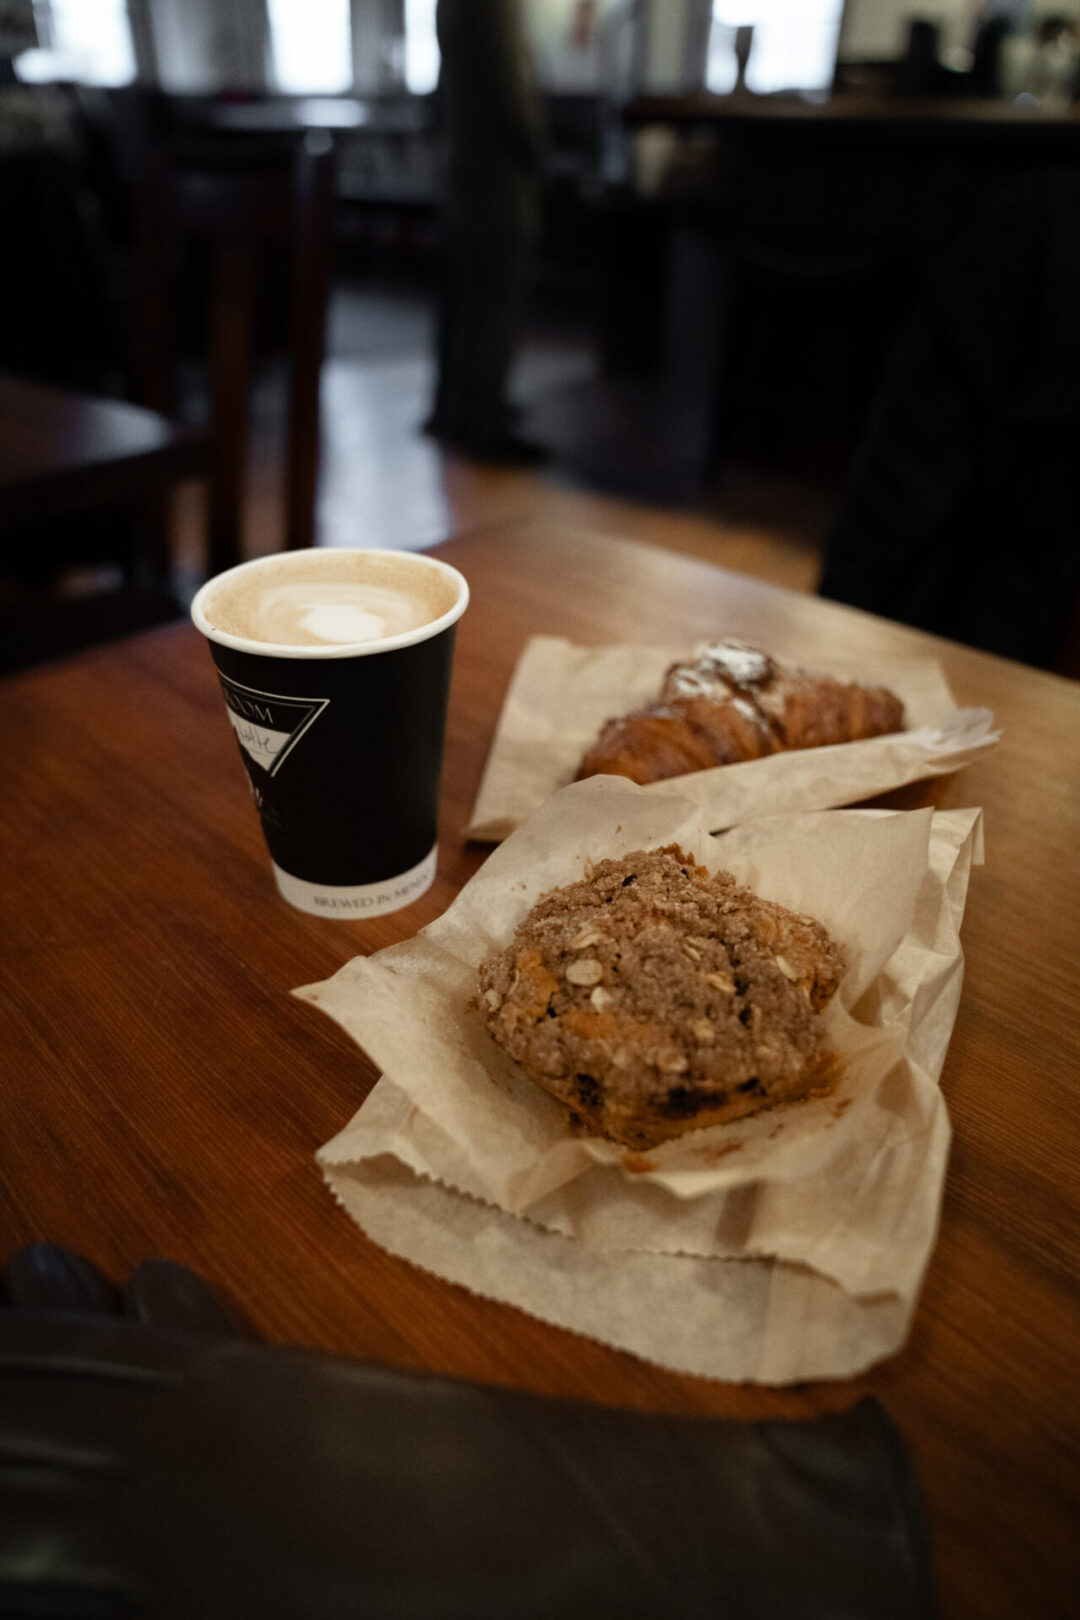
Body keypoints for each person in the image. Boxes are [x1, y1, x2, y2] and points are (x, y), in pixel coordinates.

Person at [425, 0, 548, 464]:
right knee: (495, 297)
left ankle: (453, 409)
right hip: (496, 168)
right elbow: (509, 87)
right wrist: (537, 150)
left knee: (463, 296)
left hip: (460, 161)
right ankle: (483, 419)